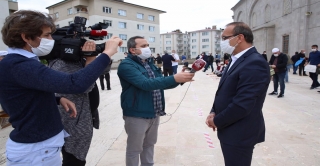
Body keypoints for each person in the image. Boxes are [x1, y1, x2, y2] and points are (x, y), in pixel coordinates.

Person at [0, 10, 122, 165]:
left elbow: (24, 97)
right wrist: (107, 53)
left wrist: (58, 99)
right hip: (36, 152)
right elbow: (75, 83)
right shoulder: (19, 65)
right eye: (46, 35)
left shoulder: (19, 63)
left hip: (40, 148)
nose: (51, 39)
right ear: (25, 37)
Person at [117, 36, 194, 166]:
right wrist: (174, 78)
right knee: (134, 149)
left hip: (154, 111)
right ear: (132, 50)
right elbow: (145, 84)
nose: (147, 48)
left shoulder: (150, 63)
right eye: (143, 46)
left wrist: (180, 79)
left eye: (147, 45)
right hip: (137, 113)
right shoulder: (126, 65)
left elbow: (160, 83)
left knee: (149, 145)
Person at [205, 22, 269, 166]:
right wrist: (213, 111)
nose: (222, 42)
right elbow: (224, 92)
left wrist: (217, 121)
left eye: (225, 38)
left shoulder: (254, 63)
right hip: (229, 128)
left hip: (240, 132)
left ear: (239, 37)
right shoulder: (236, 59)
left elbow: (243, 103)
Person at [49, 50, 101, 165]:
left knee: (76, 159)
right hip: (73, 122)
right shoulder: (63, 64)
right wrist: (91, 60)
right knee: (74, 160)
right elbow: (84, 86)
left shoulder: (75, 61)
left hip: (79, 119)